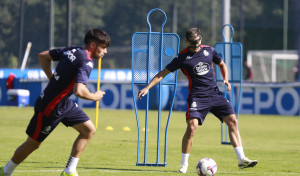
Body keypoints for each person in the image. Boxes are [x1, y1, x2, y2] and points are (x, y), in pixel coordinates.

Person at [138, 28, 257, 173]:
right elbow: (162, 73)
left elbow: (222, 64)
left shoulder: (210, 51)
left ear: (201, 38)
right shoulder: (181, 57)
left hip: (214, 94)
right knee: (192, 127)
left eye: (198, 42)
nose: (196, 45)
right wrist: (147, 87)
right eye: (193, 43)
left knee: (233, 120)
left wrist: (225, 79)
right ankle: (184, 163)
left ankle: (241, 159)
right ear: (187, 42)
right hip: (196, 97)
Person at [0, 28, 110, 176]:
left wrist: (51, 77)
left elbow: (43, 56)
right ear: (93, 45)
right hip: (50, 107)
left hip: (64, 103)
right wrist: (95, 96)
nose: (105, 52)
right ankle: (6, 171)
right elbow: (79, 91)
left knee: (88, 130)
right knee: (33, 144)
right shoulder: (86, 63)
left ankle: (69, 171)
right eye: (103, 48)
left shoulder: (73, 50)